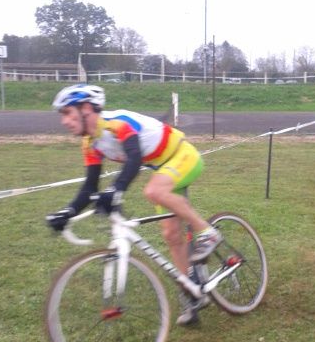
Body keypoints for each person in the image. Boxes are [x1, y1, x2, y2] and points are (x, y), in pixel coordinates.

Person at [46, 83, 221, 326]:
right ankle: (191, 292)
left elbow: (134, 158)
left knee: (153, 191)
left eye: (67, 112)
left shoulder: (117, 124)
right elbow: (90, 186)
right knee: (171, 235)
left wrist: (115, 190)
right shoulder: (90, 143)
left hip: (183, 156)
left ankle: (208, 233)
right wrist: (68, 212)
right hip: (162, 169)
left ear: (85, 108)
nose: (64, 121)